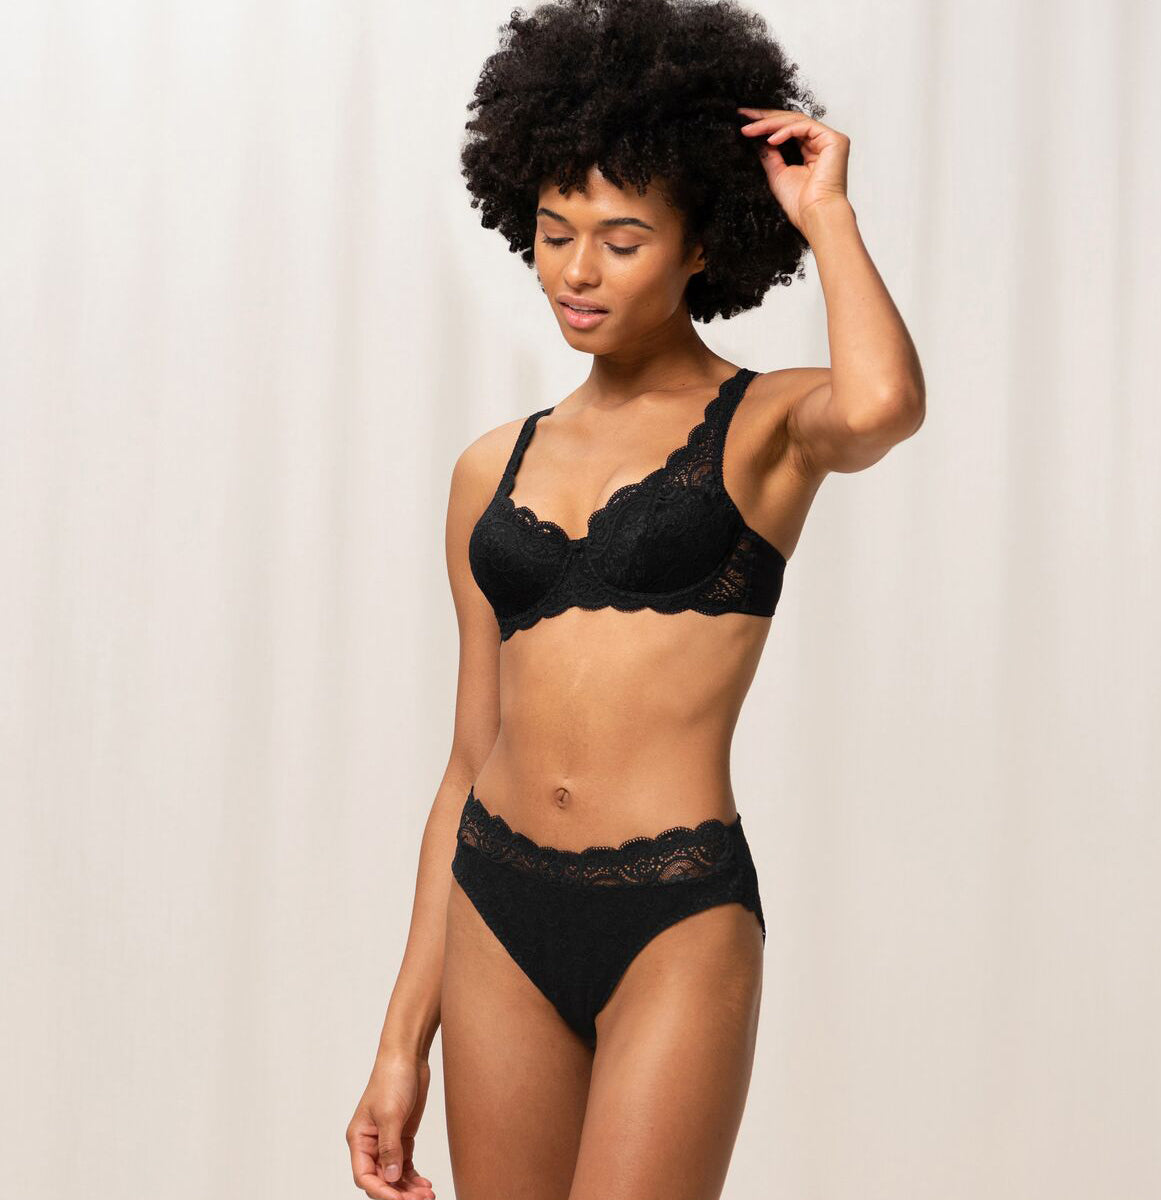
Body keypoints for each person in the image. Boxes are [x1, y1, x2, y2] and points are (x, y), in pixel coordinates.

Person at [346, 1, 924, 1196]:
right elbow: (468, 761)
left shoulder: (765, 425)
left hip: (675, 918)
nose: (577, 271)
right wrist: (401, 1045)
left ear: (700, 243)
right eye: (555, 233)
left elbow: (882, 406)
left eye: (621, 239)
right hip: (496, 908)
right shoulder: (488, 470)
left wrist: (825, 215)